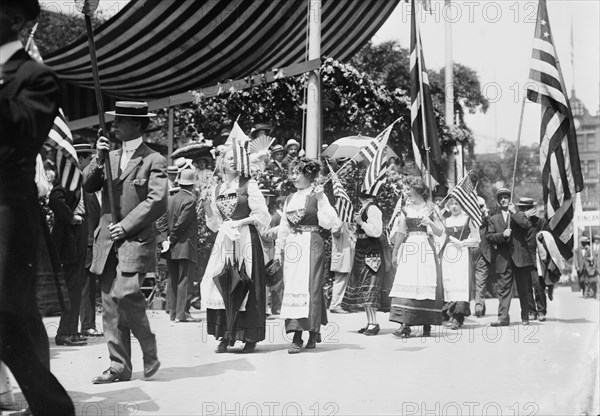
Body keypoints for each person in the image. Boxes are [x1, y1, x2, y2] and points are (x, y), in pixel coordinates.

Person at [0, 0, 74, 413]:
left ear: (14, 19)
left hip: (7, 211)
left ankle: (51, 406)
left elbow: (22, 138)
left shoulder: (37, 77)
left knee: (8, 317)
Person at [84, 101, 166, 383]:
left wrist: (126, 225)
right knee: (110, 305)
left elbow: (157, 201)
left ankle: (148, 347)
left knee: (126, 296)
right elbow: (88, 185)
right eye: (114, 120)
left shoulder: (154, 160)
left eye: (120, 121)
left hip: (135, 240)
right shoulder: (108, 156)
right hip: (107, 241)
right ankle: (119, 367)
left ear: (138, 126)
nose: (114, 125)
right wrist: (98, 158)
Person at [200, 146, 270, 353]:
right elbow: (213, 224)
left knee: (247, 282)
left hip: (246, 237)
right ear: (221, 162)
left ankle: (249, 336)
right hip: (225, 239)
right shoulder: (216, 189)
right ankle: (225, 334)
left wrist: (240, 222)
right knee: (222, 281)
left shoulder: (249, 185)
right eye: (229, 158)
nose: (232, 162)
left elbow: (263, 215)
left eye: (235, 159)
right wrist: (205, 205)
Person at [276, 158, 338, 353]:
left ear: (309, 175)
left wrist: (320, 198)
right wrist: (279, 250)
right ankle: (305, 331)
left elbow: (329, 222)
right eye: (292, 172)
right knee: (293, 287)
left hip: (311, 242)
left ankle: (303, 335)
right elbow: (284, 227)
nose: (294, 176)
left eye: (298, 173)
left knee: (310, 286)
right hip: (293, 246)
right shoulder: (289, 199)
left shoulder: (317, 194)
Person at [389, 178, 444, 338]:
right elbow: (401, 231)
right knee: (408, 280)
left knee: (425, 281)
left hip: (426, 247)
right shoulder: (406, 209)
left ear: (418, 191)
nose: (408, 193)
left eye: (410, 190)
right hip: (410, 247)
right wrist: (395, 252)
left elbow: (440, 232)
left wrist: (430, 223)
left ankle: (427, 323)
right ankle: (404, 324)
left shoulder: (432, 208)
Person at [48, 147, 89, 346]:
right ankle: (65, 332)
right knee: (72, 284)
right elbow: (54, 198)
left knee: (76, 283)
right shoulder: (68, 178)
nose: (91, 162)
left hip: (78, 235)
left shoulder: (77, 179)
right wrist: (70, 216)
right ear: (80, 159)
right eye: (88, 158)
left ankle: (71, 330)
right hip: (70, 237)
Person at [486, 188, 534, 326]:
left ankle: (525, 317)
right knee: (503, 290)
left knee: (523, 289)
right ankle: (503, 318)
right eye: (501, 198)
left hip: (520, 259)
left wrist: (515, 212)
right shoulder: (494, 219)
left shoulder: (518, 214)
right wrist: (502, 235)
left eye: (506, 197)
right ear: (498, 201)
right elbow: (489, 236)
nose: (503, 200)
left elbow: (527, 225)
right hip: (504, 259)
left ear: (510, 199)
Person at [341, 193, 384, 335]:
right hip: (362, 249)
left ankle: (374, 323)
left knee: (369, 287)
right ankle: (370, 322)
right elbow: (360, 234)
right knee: (364, 287)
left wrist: (361, 223)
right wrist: (354, 229)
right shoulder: (364, 209)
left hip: (371, 251)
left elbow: (376, 232)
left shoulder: (373, 209)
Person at [75, 144, 104, 338]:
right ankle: (86, 324)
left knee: (90, 284)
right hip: (86, 239)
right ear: (82, 160)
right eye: (91, 160)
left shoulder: (91, 185)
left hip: (94, 239)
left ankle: (88, 323)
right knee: (86, 285)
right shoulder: (81, 182)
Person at [163, 169, 199, 322]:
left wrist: (166, 239)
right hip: (184, 245)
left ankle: (173, 314)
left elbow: (162, 222)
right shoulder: (190, 200)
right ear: (192, 185)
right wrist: (171, 238)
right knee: (184, 280)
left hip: (170, 246)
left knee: (172, 279)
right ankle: (181, 314)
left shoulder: (171, 199)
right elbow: (181, 224)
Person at [440, 197, 480, 329]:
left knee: (460, 283)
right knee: (449, 282)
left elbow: (476, 239)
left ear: (462, 205)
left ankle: (458, 317)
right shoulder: (446, 221)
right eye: (451, 205)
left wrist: (463, 243)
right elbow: (440, 238)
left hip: (462, 254)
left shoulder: (468, 219)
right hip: (448, 255)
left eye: (457, 204)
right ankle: (448, 314)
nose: (454, 207)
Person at [519, 198, 548, 321]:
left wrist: (543, 236)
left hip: (536, 258)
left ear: (533, 209)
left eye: (528, 208)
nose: (526, 211)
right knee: (526, 287)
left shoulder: (540, 222)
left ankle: (541, 311)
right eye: (523, 208)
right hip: (522, 258)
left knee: (538, 285)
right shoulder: (517, 222)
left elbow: (549, 236)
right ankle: (532, 311)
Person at [473, 196, 493, 317]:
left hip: (483, 254)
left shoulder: (487, 218)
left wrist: (485, 213)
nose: (478, 209)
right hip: (470, 253)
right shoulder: (468, 218)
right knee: (471, 283)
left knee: (480, 282)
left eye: (480, 206)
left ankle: (478, 308)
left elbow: (492, 226)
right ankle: (478, 305)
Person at [328, 219, 354, 314]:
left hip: (347, 256)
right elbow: (335, 232)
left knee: (345, 281)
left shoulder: (346, 223)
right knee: (340, 281)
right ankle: (335, 305)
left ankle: (342, 304)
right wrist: (340, 222)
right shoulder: (337, 222)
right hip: (341, 256)